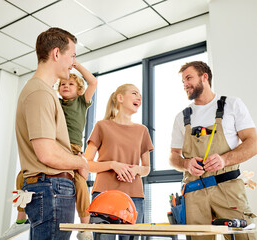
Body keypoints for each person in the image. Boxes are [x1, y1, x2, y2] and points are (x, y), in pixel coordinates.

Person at [169, 61, 257, 240]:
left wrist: (225, 160)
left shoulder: (231, 105)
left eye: (189, 78)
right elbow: (173, 156)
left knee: (244, 237)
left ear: (205, 77)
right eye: (183, 82)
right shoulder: (181, 117)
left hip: (228, 188)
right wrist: (186, 163)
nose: (185, 84)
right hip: (194, 193)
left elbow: (253, 144)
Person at [14, 27, 88, 240]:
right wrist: (81, 163)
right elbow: (46, 153)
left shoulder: (43, 92)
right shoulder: (39, 92)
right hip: (52, 188)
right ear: (56, 54)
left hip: (49, 188)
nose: (73, 62)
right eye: (72, 56)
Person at [85, 84, 154, 240]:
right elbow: (86, 163)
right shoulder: (101, 126)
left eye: (140, 96)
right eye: (134, 93)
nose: (139, 98)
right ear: (120, 98)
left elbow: (146, 168)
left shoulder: (142, 131)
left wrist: (136, 170)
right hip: (104, 195)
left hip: (134, 197)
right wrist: (112, 165)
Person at [58, 65, 97, 240]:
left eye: (71, 84)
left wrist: (75, 65)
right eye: (62, 84)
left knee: (80, 183)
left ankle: (84, 227)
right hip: (56, 146)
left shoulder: (81, 102)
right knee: (24, 174)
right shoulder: (56, 102)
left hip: (74, 149)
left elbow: (93, 82)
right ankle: (21, 220)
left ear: (79, 90)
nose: (66, 86)